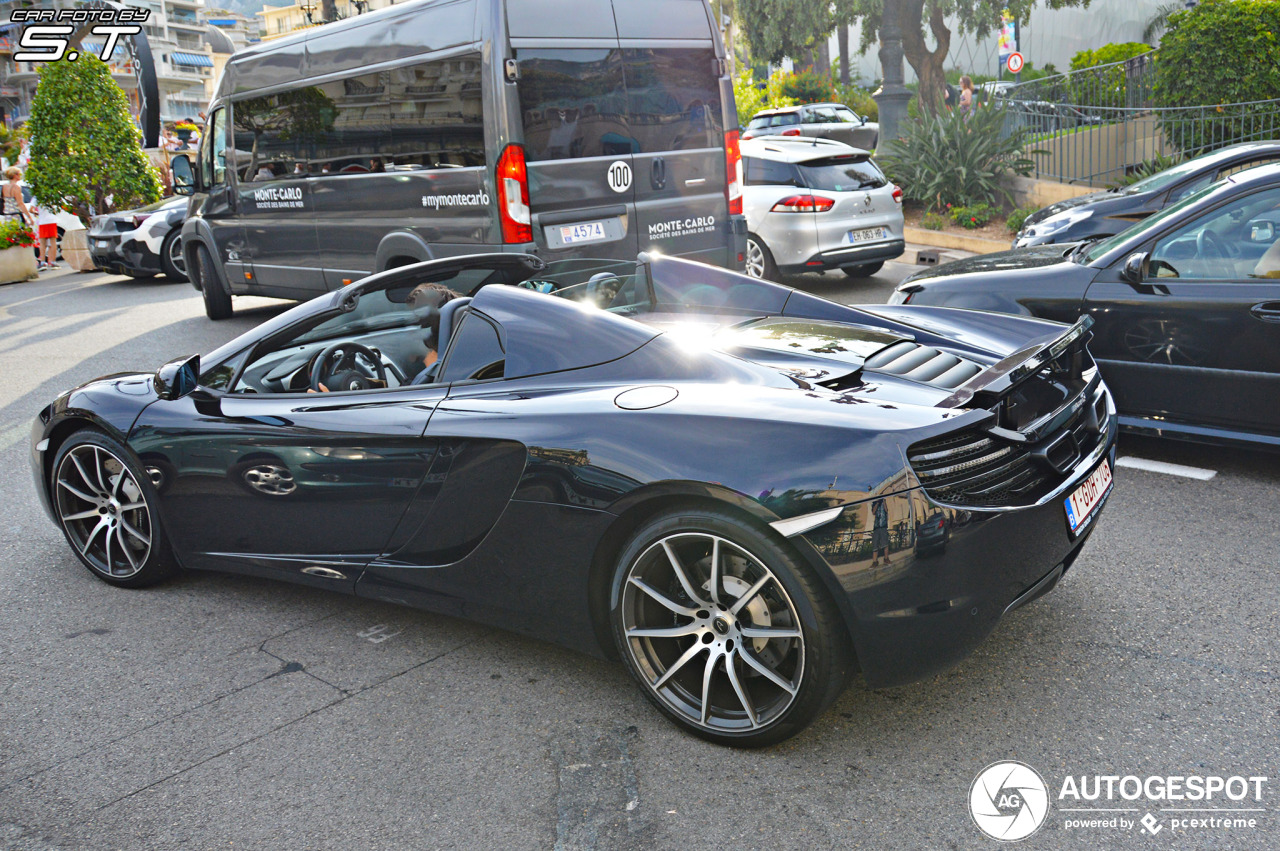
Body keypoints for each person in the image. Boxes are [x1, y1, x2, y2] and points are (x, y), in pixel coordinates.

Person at [32, 196, 59, 270]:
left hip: (42, 222)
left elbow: (31, 209)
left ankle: (42, 262)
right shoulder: (51, 194)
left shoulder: (36, 197)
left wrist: (37, 213)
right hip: (52, 220)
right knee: (53, 242)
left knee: (42, 243)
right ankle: (53, 262)